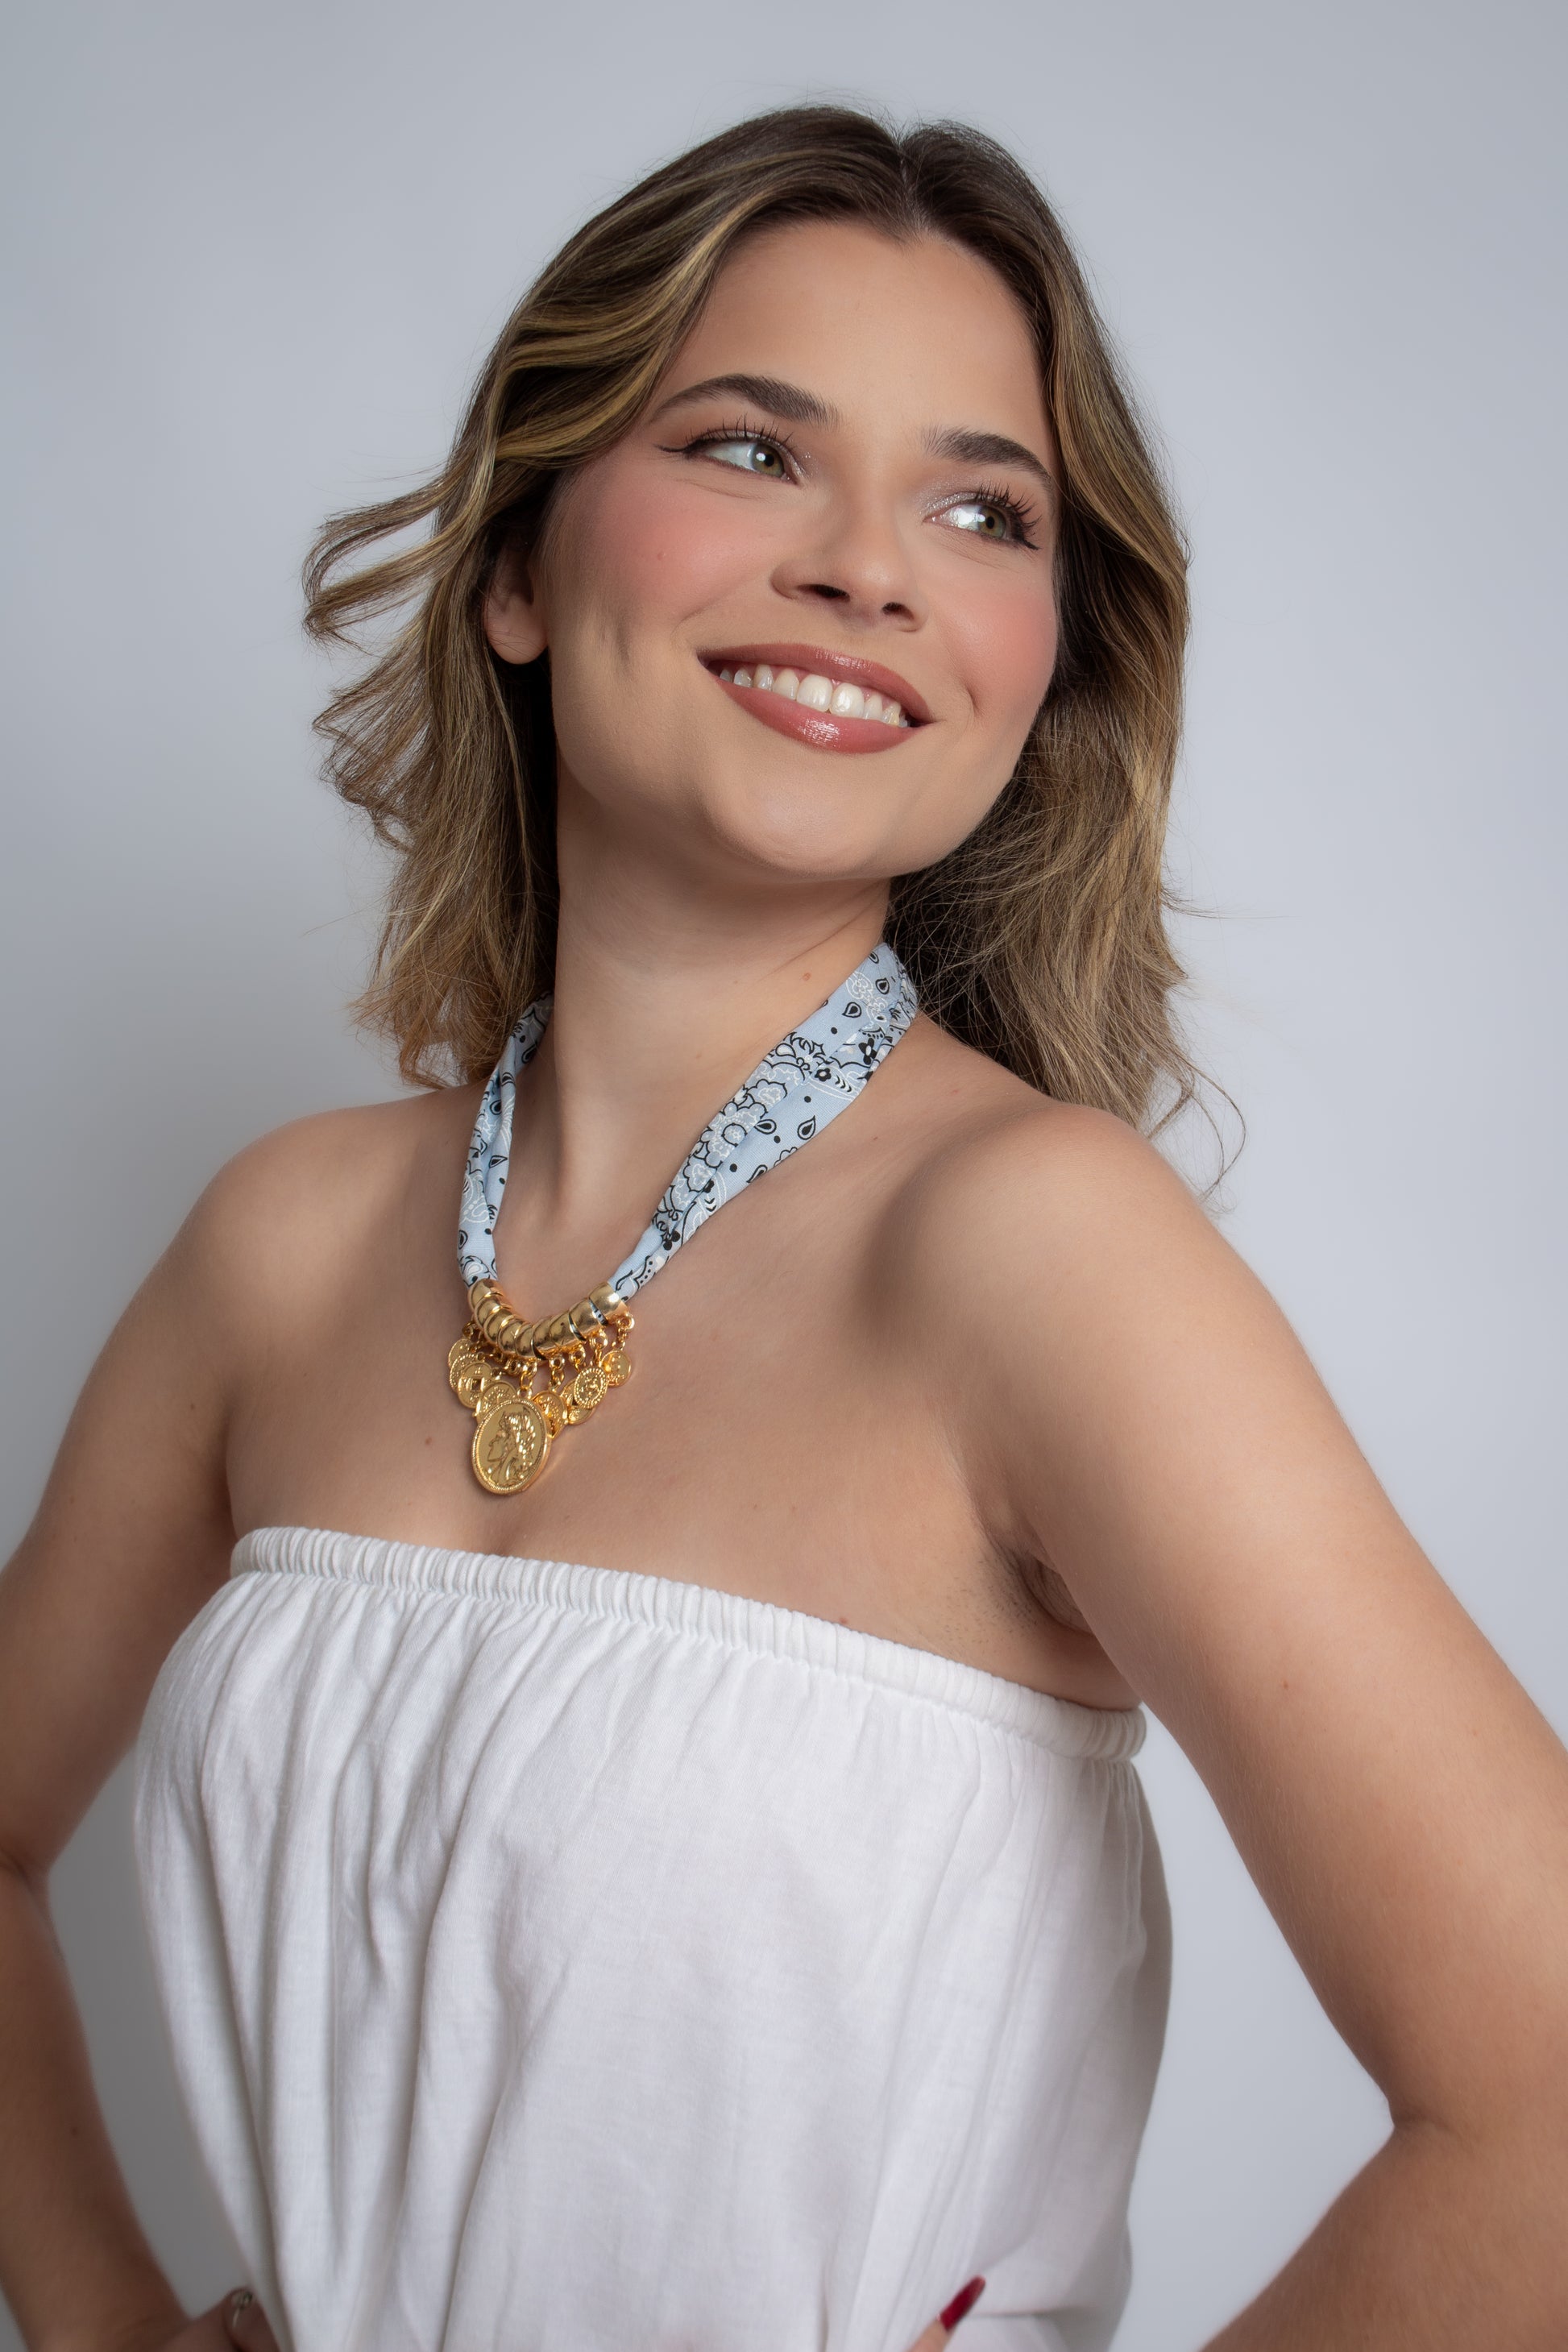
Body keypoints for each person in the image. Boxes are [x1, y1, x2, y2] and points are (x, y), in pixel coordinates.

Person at [2, 102, 1566, 2352]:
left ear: (1041, 666)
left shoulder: (1041, 1255)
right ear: (521, 566)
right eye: (750, 449)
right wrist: (99, 2320)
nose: (869, 568)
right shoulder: (283, 1241)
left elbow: (1542, 2105)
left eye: (980, 508)